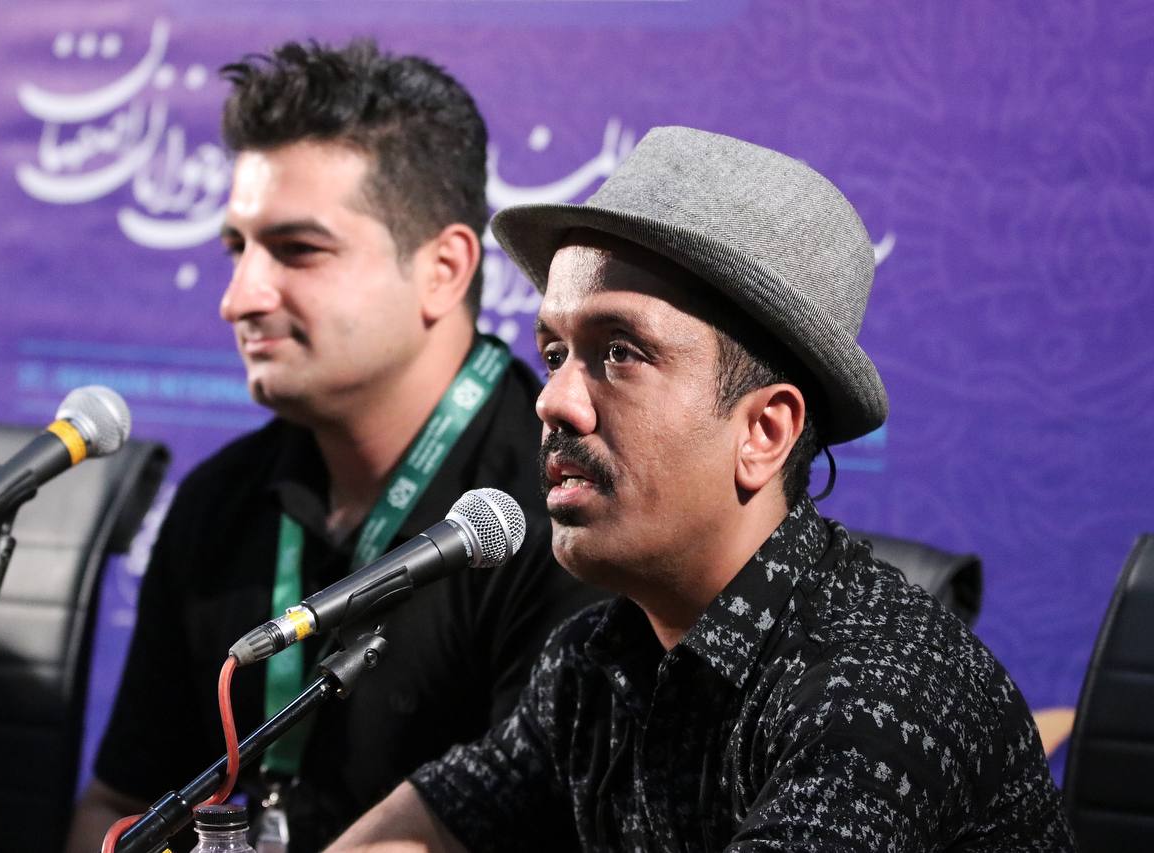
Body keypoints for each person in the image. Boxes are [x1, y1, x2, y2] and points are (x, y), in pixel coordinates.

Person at [328, 127, 1077, 850]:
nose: (553, 401)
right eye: (554, 354)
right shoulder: (594, 659)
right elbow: (436, 825)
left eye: (619, 353)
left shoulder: (877, 692)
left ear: (764, 433)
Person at [65, 40, 600, 853]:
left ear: (444, 269)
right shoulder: (217, 502)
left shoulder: (563, 513)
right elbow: (119, 805)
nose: (239, 298)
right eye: (237, 248)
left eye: (298, 250)